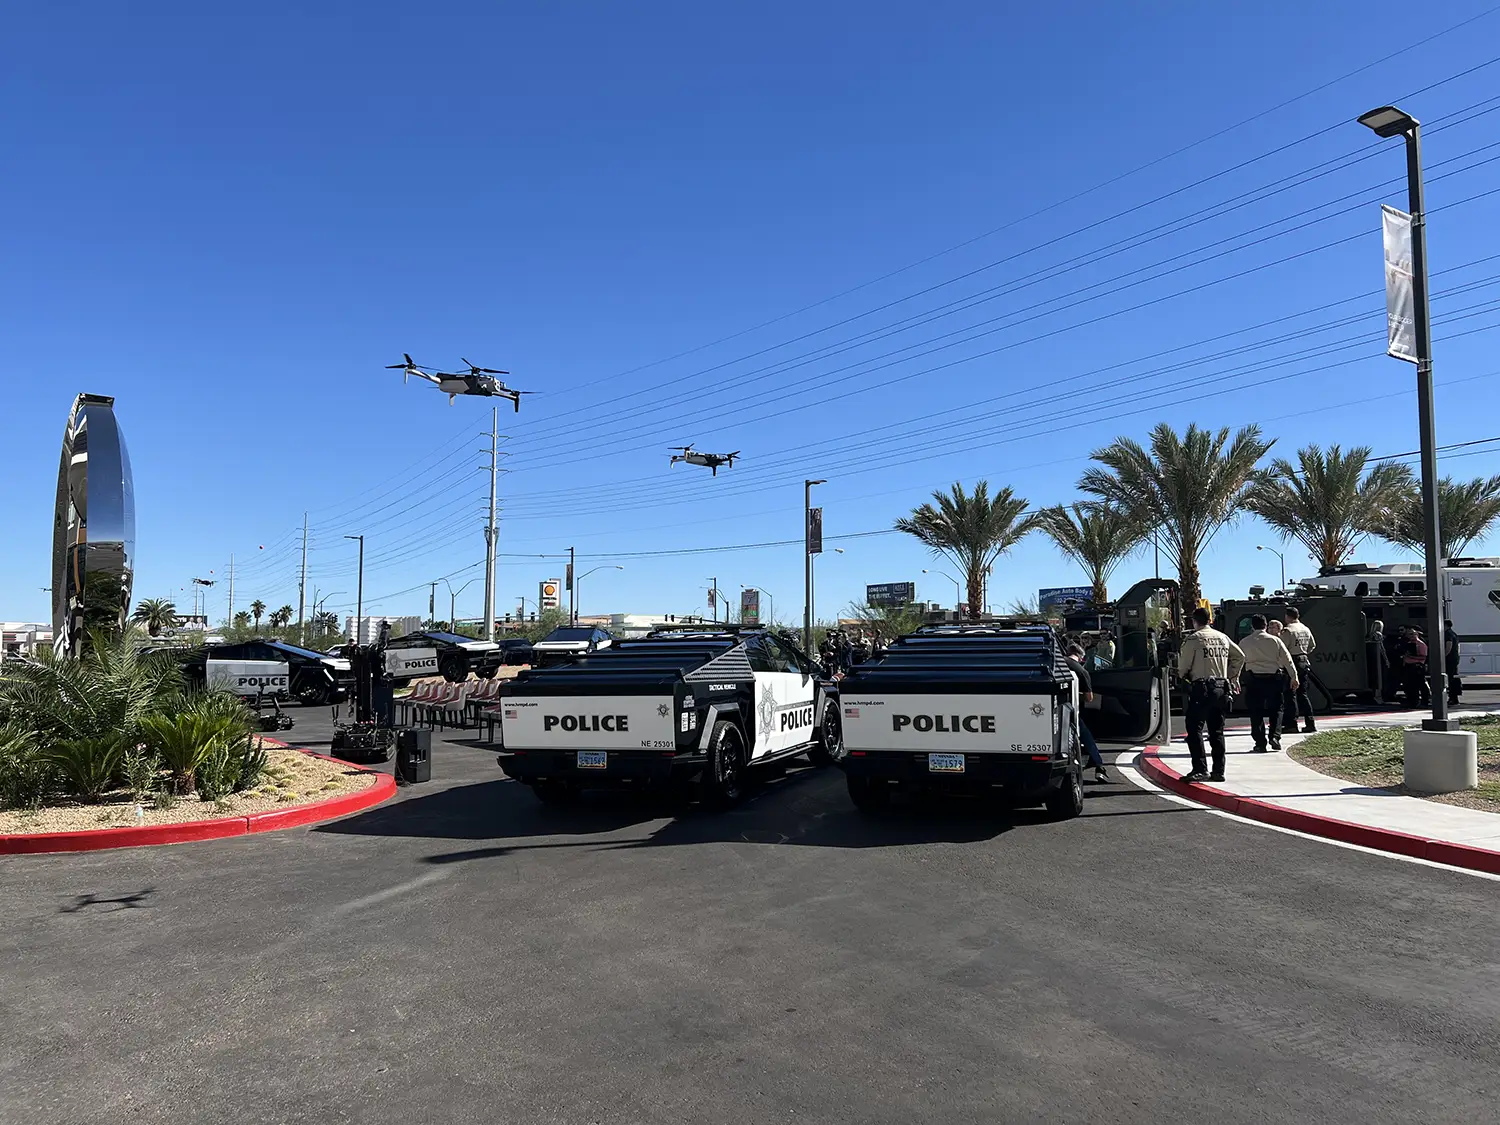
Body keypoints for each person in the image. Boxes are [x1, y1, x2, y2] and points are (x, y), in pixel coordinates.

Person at [1176, 606, 1245, 783]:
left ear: (1194, 621)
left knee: (1194, 728)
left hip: (1202, 688)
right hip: (1222, 687)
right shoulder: (1222, 637)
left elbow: (1183, 666)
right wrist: (1231, 675)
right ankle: (1219, 771)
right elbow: (1240, 656)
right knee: (1216, 731)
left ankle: (1200, 769)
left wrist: (1181, 676)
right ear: (1210, 620)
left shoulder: (1194, 639)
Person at [1238, 614, 1298, 752]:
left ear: (1252, 626)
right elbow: (1287, 660)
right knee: (1277, 709)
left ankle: (1260, 742)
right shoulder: (1275, 641)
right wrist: (1294, 677)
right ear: (1265, 625)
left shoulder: (1244, 642)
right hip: (1274, 678)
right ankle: (1275, 736)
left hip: (1254, 679)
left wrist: (1234, 678)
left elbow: (1238, 661)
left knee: (1255, 712)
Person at [1065, 644, 1109, 783]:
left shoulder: (1060, 663)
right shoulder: (1082, 671)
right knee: (1085, 734)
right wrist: (1075, 694)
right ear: (1081, 656)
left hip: (1056, 707)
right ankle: (1098, 765)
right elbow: (1089, 698)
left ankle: (1095, 761)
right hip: (1074, 709)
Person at [1279, 606, 1318, 733]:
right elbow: (1312, 645)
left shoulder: (1288, 630)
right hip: (1304, 660)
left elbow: (1282, 649)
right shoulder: (1305, 629)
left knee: (1290, 694)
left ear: (1287, 616)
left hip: (1292, 661)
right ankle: (1310, 722)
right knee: (1303, 694)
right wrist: (1304, 652)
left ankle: (1291, 724)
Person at [1400, 626, 1429, 707]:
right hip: (1408, 666)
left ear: (1417, 634)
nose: (1411, 636)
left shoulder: (1421, 644)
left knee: (1419, 685)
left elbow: (1424, 657)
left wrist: (1411, 656)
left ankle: (1423, 701)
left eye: (1413, 634)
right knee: (1409, 685)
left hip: (1417, 666)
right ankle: (1411, 701)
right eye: (1409, 634)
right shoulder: (1408, 644)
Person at [1444, 619, 1462, 705]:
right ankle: (1454, 697)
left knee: (1451, 678)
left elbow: (1448, 646)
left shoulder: (1448, 634)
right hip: (1454, 659)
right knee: (1454, 677)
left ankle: (1453, 697)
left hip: (1449, 660)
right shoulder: (1454, 634)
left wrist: (1443, 656)